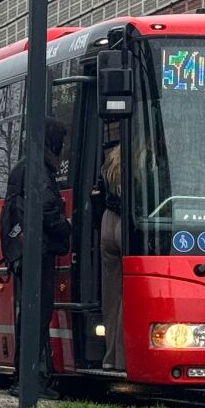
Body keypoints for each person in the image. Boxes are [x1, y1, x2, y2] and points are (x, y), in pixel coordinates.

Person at [5, 117, 72, 399]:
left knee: (31, 315)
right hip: (37, 252)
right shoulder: (38, 168)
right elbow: (46, 207)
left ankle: (28, 376)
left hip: (25, 251)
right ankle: (30, 379)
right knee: (37, 315)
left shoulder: (24, 165)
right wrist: (66, 226)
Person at [97, 145, 124, 371]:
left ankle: (109, 357)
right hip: (126, 222)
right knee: (130, 290)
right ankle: (123, 357)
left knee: (112, 293)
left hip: (108, 220)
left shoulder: (111, 160)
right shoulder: (142, 156)